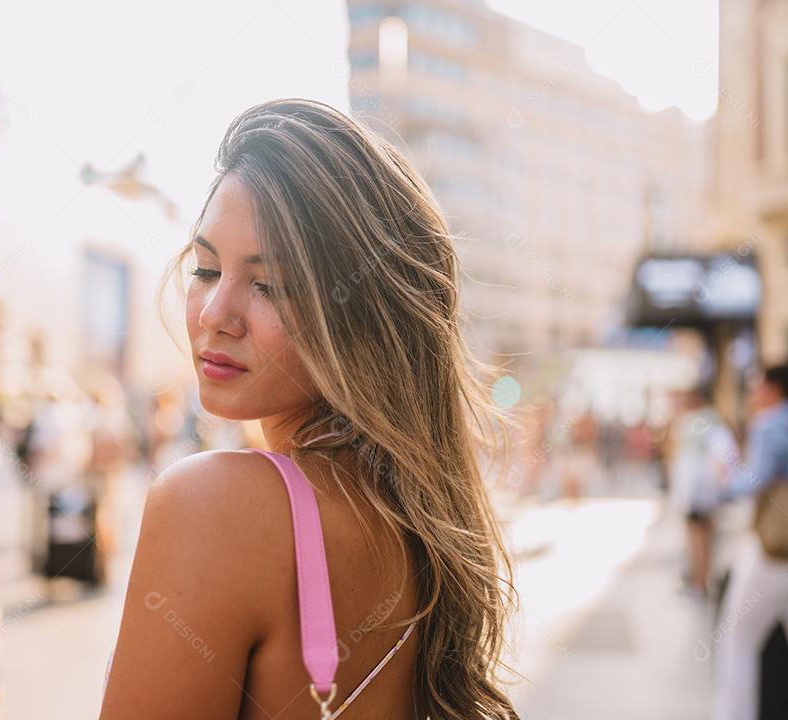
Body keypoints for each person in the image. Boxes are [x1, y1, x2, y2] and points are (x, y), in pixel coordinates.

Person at [99, 99, 519, 719]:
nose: (216, 314)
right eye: (207, 269)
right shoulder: (415, 515)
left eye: (270, 285)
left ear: (361, 316)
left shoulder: (214, 505)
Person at [712, 365, 788, 720]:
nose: (753, 393)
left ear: (773, 387)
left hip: (776, 551)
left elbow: (754, 482)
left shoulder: (769, 424)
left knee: (736, 641)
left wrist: (727, 478)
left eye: (757, 385)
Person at [664, 383, 736, 599]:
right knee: (700, 536)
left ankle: (700, 582)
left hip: (699, 491)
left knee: (699, 536)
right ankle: (699, 580)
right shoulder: (707, 420)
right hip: (699, 491)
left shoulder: (702, 422)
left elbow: (719, 457)